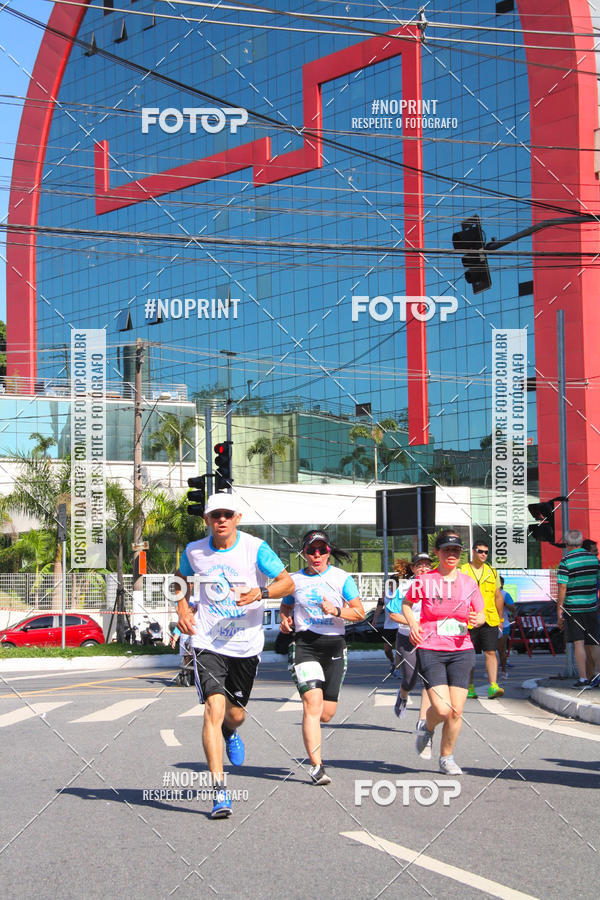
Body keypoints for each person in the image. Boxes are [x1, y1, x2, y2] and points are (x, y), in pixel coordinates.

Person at [176, 492, 294, 818]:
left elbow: (287, 582)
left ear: (237, 518)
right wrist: (182, 608)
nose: (222, 520)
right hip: (208, 641)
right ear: (207, 521)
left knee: (236, 714)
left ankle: (231, 731)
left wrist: (262, 591)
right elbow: (180, 580)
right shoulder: (194, 551)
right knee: (213, 707)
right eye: (215, 516)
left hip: (246, 645)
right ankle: (219, 792)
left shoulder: (255, 549)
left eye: (227, 514)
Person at [279, 529, 364, 786]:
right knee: (312, 704)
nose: (317, 555)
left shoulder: (341, 579)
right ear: (304, 553)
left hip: (334, 646)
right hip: (305, 645)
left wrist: (336, 610)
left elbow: (360, 613)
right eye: (311, 550)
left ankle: (315, 749)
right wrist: (285, 618)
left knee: (327, 713)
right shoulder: (294, 581)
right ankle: (317, 767)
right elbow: (286, 604)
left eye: (322, 550)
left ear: (329, 552)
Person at [402, 530, 485, 775]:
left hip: (462, 650)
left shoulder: (469, 582)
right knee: (441, 709)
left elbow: (480, 612)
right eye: (447, 550)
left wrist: (478, 619)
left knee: (456, 711)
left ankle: (446, 757)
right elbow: (407, 604)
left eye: (456, 550)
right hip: (431, 648)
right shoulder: (426, 581)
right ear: (437, 552)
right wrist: (414, 625)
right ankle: (426, 728)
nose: (452, 554)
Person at [387, 553, 432, 722]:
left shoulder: (439, 586)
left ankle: (422, 721)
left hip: (430, 639)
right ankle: (403, 694)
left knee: (428, 679)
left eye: (427, 565)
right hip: (407, 637)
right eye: (419, 565)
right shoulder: (405, 587)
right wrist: (414, 623)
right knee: (409, 678)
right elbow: (393, 614)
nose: (423, 568)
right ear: (413, 569)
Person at [461, 540, 504, 699]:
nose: (483, 554)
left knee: (491, 651)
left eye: (486, 552)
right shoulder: (462, 570)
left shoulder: (492, 572)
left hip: (489, 617)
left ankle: (493, 686)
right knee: (469, 654)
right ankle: (469, 686)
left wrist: (500, 618)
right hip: (469, 618)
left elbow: (497, 596)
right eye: (480, 551)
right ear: (473, 552)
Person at [557, 529, 600, 689]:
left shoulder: (566, 561)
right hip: (591, 607)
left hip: (573, 608)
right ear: (581, 543)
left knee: (579, 643)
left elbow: (562, 586)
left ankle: (583, 679)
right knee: (594, 642)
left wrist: (559, 610)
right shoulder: (594, 560)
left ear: (567, 544)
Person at [372, 558, 411, 675]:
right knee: (387, 648)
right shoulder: (386, 593)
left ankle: (398, 669)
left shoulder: (403, 592)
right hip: (388, 625)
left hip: (399, 624)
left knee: (399, 648)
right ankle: (393, 662)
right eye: (390, 582)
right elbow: (379, 606)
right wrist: (374, 619)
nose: (392, 585)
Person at [497, 576, 515, 678]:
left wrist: (504, 603)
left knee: (501, 649)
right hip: (491, 624)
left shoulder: (505, 594)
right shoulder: (489, 594)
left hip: (504, 625)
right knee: (490, 650)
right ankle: (492, 671)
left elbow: (513, 608)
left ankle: (503, 671)